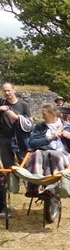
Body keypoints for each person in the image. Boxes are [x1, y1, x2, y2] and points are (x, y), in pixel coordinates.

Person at [24, 104, 70, 196]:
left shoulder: (69, 127)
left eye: (44, 114)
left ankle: (52, 188)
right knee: (36, 154)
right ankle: (34, 185)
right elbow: (32, 143)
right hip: (43, 153)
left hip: (64, 154)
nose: (42, 116)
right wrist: (50, 138)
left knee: (53, 155)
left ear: (53, 114)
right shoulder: (40, 127)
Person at [0, 82, 32, 218]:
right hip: (4, 140)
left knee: (27, 167)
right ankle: (3, 205)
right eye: (4, 91)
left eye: (9, 90)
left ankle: (33, 189)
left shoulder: (23, 105)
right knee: (5, 171)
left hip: (19, 140)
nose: (7, 93)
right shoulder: (0, 102)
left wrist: (17, 117)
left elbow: (30, 123)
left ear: (14, 90)